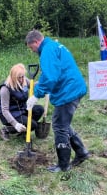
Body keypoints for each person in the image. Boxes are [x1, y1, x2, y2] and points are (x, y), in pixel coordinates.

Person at [25, 30, 91, 172]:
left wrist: (36, 95)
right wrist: (38, 86)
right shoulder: (53, 46)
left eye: (31, 47)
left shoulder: (47, 51)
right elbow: (48, 73)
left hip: (68, 91)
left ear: (36, 42)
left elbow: (50, 77)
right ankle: (81, 152)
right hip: (72, 87)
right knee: (63, 123)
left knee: (59, 126)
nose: (32, 50)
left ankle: (63, 165)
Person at [0, 63, 44, 141]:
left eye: (23, 76)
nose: (22, 79)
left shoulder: (23, 80)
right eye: (19, 78)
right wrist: (15, 124)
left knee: (39, 109)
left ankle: (23, 130)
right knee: (33, 125)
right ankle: (6, 129)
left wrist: (44, 81)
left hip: (22, 109)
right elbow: (5, 110)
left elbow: (32, 85)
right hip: (11, 113)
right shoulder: (5, 89)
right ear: (13, 77)